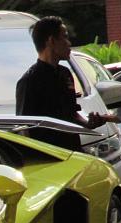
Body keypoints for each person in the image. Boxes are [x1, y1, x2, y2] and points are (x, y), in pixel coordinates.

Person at [16, 16, 113, 149]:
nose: (69, 43)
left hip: (72, 151)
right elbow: (24, 128)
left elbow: (71, 114)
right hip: (49, 157)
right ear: (51, 41)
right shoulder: (29, 81)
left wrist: (89, 123)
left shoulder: (65, 74)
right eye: (65, 37)